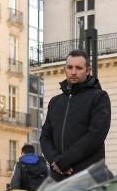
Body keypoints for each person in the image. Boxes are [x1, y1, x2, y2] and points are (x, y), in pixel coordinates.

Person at [39, 49, 111, 180]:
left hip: (88, 177)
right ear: (64, 69)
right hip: (58, 177)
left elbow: (96, 135)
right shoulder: (55, 102)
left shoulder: (99, 97)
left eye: (78, 68)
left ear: (88, 71)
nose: (73, 72)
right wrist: (56, 161)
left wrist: (64, 162)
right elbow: (45, 137)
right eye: (69, 67)